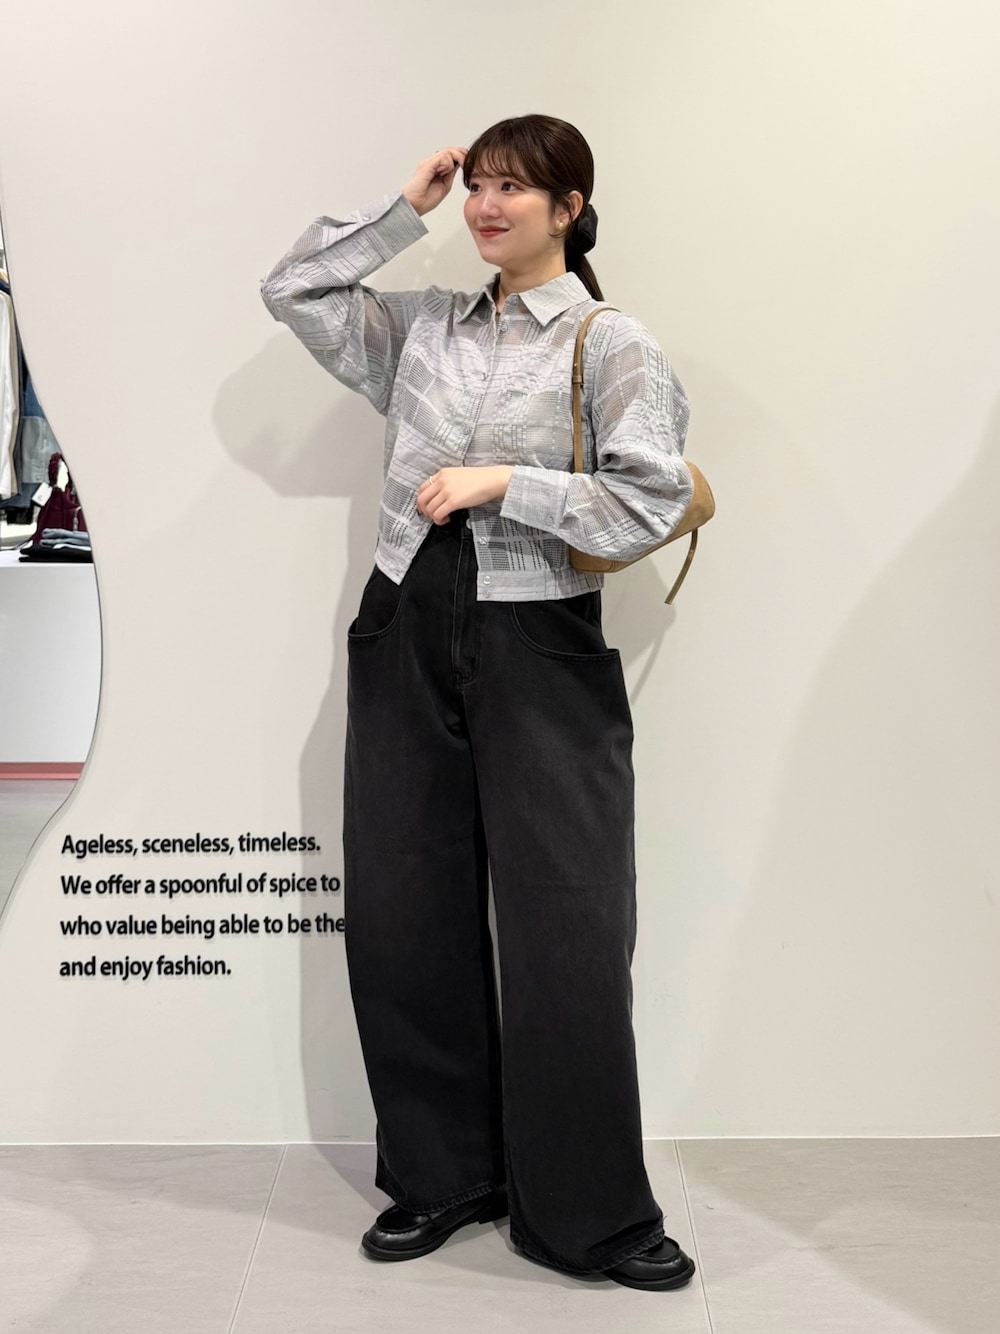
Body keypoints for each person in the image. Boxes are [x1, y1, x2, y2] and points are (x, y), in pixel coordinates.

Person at [260, 114, 696, 1293]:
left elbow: (652, 496)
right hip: (406, 615)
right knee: (404, 907)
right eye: (479, 186)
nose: (489, 206)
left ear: (569, 208)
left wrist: (510, 481)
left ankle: (589, 1211)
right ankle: (442, 1175)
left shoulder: (609, 341)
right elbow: (294, 289)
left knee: (568, 920)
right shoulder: (425, 327)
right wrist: (402, 208)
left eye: (517, 188)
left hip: (538, 629)